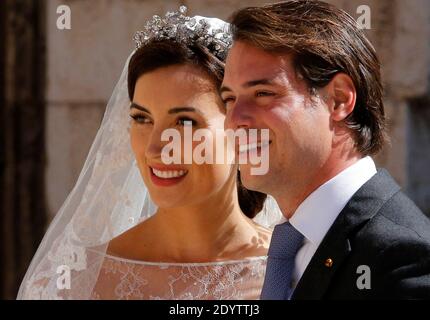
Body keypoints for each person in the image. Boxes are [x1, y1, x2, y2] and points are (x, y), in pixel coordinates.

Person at [17, 7, 282, 300]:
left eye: (184, 122)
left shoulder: (296, 272)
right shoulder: (72, 282)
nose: (155, 148)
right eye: (142, 118)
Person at [221, 0, 430, 299]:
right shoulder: (292, 243)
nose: (233, 120)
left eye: (263, 93)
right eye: (229, 99)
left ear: (339, 100)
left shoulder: (406, 261)